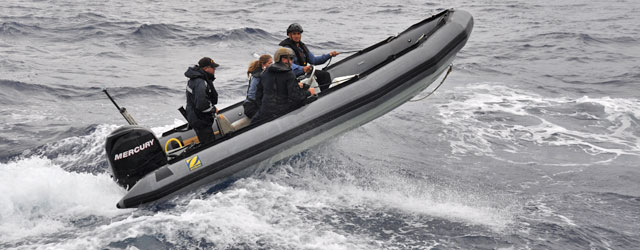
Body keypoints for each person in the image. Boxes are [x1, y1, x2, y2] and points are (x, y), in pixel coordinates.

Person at [252, 47, 316, 123]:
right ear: (279, 58)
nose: (290, 61)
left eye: (291, 58)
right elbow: (296, 97)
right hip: (281, 112)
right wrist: (309, 92)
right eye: (286, 58)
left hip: (265, 111)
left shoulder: (265, 72)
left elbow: (258, 96)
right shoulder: (288, 74)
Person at [279, 23, 339, 91]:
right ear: (289, 35)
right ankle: (325, 95)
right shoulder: (286, 49)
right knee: (324, 75)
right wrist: (303, 69)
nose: (297, 36)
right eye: (294, 34)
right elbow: (289, 66)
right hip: (293, 76)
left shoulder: (301, 46)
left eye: (298, 34)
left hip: (303, 73)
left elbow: (314, 60)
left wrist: (329, 55)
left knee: (324, 75)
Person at [184, 57, 220, 144]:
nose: (214, 69)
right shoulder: (200, 82)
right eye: (213, 67)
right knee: (208, 143)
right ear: (206, 68)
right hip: (199, 119)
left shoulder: (195, 79)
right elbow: (202, 104)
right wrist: (213, 109)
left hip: (195, 116)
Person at [243, 54, 273, 119]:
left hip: (256, 104)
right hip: (252, 107)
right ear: (263, 64)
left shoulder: (264, 74)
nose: (272, 65)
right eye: (269, 63)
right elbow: (252, 95)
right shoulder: (257, 76)